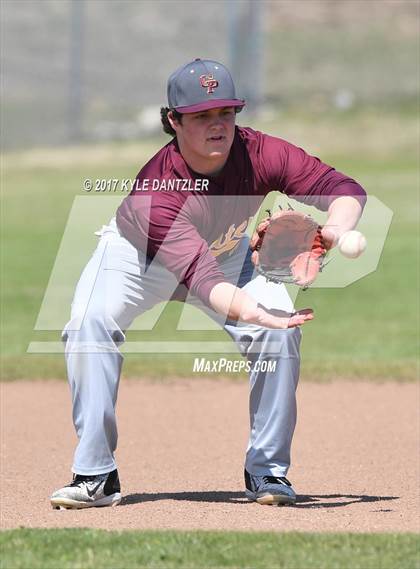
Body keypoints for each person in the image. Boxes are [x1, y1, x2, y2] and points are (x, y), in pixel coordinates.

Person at [50, 58, 366, 510]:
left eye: (226, 113)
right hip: (139, 259)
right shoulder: (155, 191)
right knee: (88, 325)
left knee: (281, 334)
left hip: (226, 251)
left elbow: (343, 188)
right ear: (172, 121)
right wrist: (255, 313)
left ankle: (268, 471)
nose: (217, 126)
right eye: (201, 116)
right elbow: (200, 278)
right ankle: (95, 474)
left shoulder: (261, 152)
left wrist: (332, 231)